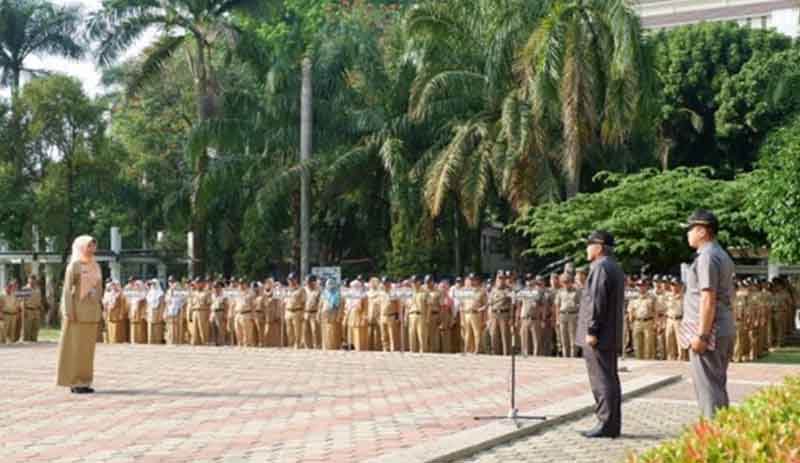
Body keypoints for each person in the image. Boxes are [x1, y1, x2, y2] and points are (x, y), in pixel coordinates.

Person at [680, 210, 736, 419]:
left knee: (708, 390)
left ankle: (712, 434)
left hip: (709, 331)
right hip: (721, 326)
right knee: (716, 386)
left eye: (690, 229)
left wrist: (702, 335)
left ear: (702, 231)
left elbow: (707, 298)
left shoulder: (707, 256)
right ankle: (722, 430)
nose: (688, 234)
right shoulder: (721, 254)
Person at [576, 230, 625, 439]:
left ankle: (606, 423)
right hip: (609, 333)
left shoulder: (601, 267)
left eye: (589, 245)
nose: (587, 249)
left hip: (600, 335)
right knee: (609, 378)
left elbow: (597, 301)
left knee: (601, 379)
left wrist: (592, 330)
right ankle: (611, 423)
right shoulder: (613, 266)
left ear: (599, 247)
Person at [56, 235, 103, 394]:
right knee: (75, 348)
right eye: (89, 245)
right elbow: (67, 290)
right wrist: (68, 311)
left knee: (87, 351)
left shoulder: (96, 265)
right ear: (81, 247)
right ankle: (74, 381)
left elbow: (99, 289)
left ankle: (85, 381)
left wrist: (99, 306)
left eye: (94, 246)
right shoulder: (74, 265)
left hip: (91, 313)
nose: (92, 249)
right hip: (77, 313)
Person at [320, 279, 343, 350]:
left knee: (333, 329)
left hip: (334, 313)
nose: (330, 286)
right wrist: (319, 313)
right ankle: (326, 345)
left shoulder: (337, 294)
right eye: (328, 284)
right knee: (325, 329)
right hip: (325, 313)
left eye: (331, 284)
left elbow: (340, 306)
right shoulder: (324, 293)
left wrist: (339, 316)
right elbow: (320, 304)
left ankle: (334, 345)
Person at [21, 275, 43, 342]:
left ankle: (34, 343)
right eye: (31, 280)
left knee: (35, 328)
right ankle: (26, 344)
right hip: (28, 310)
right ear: (28, 280)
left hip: (36, 311)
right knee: (27, 329)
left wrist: (41, 309)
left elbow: (39, 300)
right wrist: (24, 312)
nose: (32, 281)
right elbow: (22, 302)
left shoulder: (38, 289)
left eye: (34, 280)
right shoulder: (24, 289)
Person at [146, 279, 165, 344]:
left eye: (154, 284)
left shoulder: (160, 293)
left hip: (157, 312)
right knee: (150, 326)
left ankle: (157, 341)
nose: (153, 285)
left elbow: (162, 305)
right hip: (150, 312)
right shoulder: (150, 292)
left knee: (157, 326)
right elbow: (148, 303)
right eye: (152, 284)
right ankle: (150, 341)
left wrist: (160, 314)